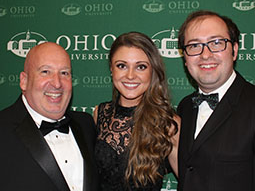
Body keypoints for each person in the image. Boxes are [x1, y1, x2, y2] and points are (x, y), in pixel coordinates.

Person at [0, 42, 99, 191]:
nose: (57, 83)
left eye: (64, 73)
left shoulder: (86, 124)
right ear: (24, 81)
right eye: (45, 72)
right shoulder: (3, 128)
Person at [177, 10, 255, 191]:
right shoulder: (185, 106)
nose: (205, 55)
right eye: (194, 46)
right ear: (185, 58)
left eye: (217, 43)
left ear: (234, 50)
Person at [93, 32, 180, 191]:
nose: (130, 75)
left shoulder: (168, 123)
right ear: (112, 69)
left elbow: (191, 181)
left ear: (152, 71)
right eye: (122, 66)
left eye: (141, 67)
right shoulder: (100, 113)